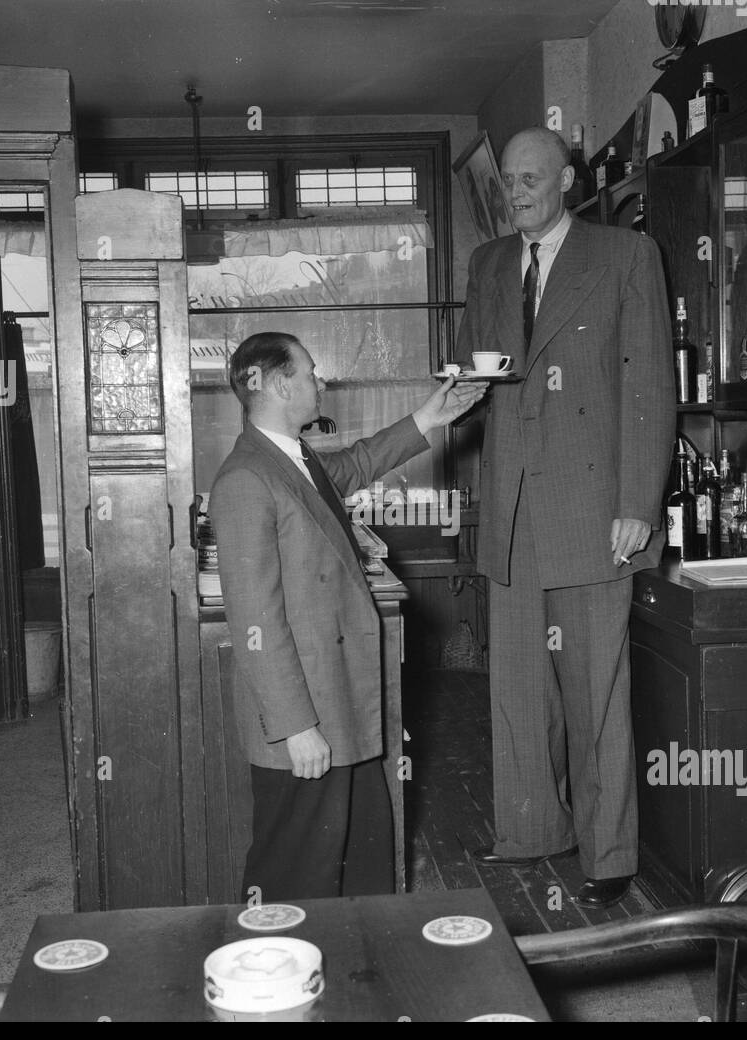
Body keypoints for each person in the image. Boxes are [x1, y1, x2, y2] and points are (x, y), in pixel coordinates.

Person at [455, 126, 675, 909]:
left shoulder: (623, 257)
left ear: (567, 179)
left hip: (591, 513)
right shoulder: (486, 266)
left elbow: (651, 386)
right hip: (511, 513)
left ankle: (607, 854)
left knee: (595, 696)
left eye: (531, 178)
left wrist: (636, 505)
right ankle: (529, 830)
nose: (517, 192)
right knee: (517, 692)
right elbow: (470, 377)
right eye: (509, 181)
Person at [210, 332, 486, 901]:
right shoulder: (245, 479)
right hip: (308, 718)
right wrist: (295, 727)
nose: (320, 382)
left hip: (341, 703)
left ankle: (364, 970)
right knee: (296, 874)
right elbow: (255, 622)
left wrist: (428, 416)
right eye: (311, 373)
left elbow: (359, 463)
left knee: (363, 862)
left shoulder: (293, 457)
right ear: (283, 384)